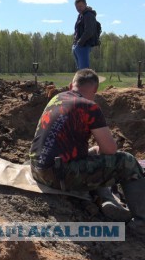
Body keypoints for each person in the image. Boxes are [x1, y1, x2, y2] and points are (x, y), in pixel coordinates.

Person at [30, 69, 145, 232]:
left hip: (37, 169)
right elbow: (111, 149)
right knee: (126, 161)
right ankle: (142, 221)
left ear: (71, 85)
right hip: (58, 176)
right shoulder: (89, 106)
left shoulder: (57, 98)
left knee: (95, 153)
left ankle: (105, 198)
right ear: (95, 90)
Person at [72, 0, 99, 70]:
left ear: (85, 5)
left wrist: (80, 43)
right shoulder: (81, 15)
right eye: (77, 7)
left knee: (84, 71)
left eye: (80, 6)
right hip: (78, 46)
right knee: (81, 71)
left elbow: (89, 31)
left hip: (84, 46)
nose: (78, 8)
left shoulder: (88, 15)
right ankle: (81, 81)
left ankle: (85, 82)